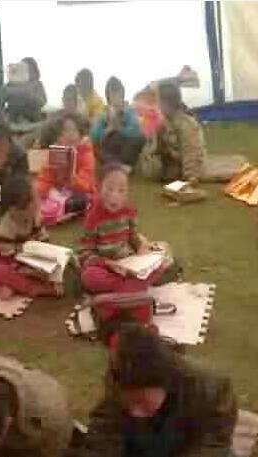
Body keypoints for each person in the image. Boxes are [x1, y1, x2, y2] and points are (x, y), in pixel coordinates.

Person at [72, 325, 247, 457]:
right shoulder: (120, 382)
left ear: (165, 382)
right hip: (143, 454)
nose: (134, 412)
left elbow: (213, 442)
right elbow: (105, 436)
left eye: (142, 403)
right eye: (128, 403)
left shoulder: (211, 387)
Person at [79, 163, 167, 295]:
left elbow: (133, 236)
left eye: (121, 190)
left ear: (127, 192)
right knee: (89, 277)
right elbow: (85, 254)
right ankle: (132, 287)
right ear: (99, 188)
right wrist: (108, 263)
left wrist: (141, 247)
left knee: (162, 257)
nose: (115, 196)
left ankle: (128, 287)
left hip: (129, 263)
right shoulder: (93, 217)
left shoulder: (129, 210)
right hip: (106, 267)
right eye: (109, 189)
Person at [138, 82, 206, 183]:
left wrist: (190, 176)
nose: (156, 106)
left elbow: (191, 151)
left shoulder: (186, 124)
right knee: (153, 171)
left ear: (167, 103)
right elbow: (156, 149)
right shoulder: (163, 122)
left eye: (158, 102)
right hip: (172, 161)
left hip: (190, 162)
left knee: (181, 173)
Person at [35, 113, 96, 219]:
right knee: (40, 196)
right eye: (64, 132)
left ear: (80, 133)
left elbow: (87, 185)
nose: (69, 135)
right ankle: (54, 210)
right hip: (59, 194)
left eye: (72, 130)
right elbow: (45, 178)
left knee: (82, 200)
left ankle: (62, 210)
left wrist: (72, 179)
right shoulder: (55, 153)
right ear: (58, 137)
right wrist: (37, 193)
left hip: (80, 194)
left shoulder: (86, 154)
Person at [91, 77, 146, 167]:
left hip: (126, 146)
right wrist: (108, 129)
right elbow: (94, 135)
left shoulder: (129, 111)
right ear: (108, 96)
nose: (115, 96)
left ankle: (122, 165)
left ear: (122, 94)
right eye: (112, 93)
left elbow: (135, 131)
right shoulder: (104, 114)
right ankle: (112, 164)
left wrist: (119, 128)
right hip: (109, 148)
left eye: (117, 92)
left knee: (139, 139)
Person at [1, 57, 46, 124]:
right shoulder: (10, 85)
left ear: (35, 71)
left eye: (29, 69)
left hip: (34, 121)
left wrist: (29, 95)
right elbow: (1, 100)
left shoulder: (38, 84)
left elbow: (42, 102)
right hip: (13, 122)